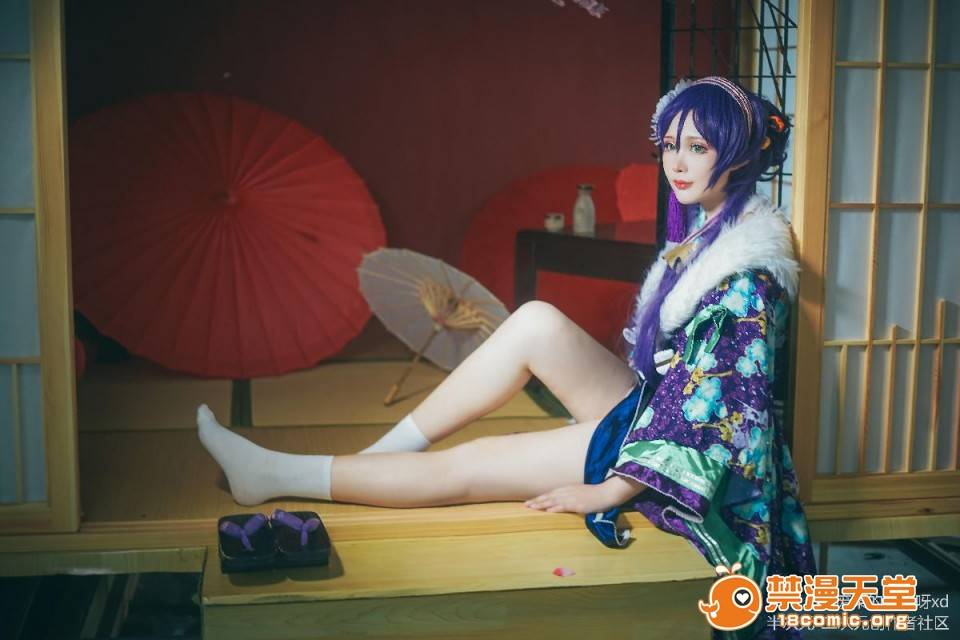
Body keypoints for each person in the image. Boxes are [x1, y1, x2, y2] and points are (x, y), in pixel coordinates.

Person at [197, 76, 815, 629]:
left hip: (686, 462)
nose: (676, 162)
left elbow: (720, 415)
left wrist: (610, 492)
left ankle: (272, 475)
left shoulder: (746, 278)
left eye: (698, 148)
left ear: (737, 155)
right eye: (671, 145)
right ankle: (380, 460)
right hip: (659, 410)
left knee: (476, 462)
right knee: (534, 322)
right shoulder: (712, 227)